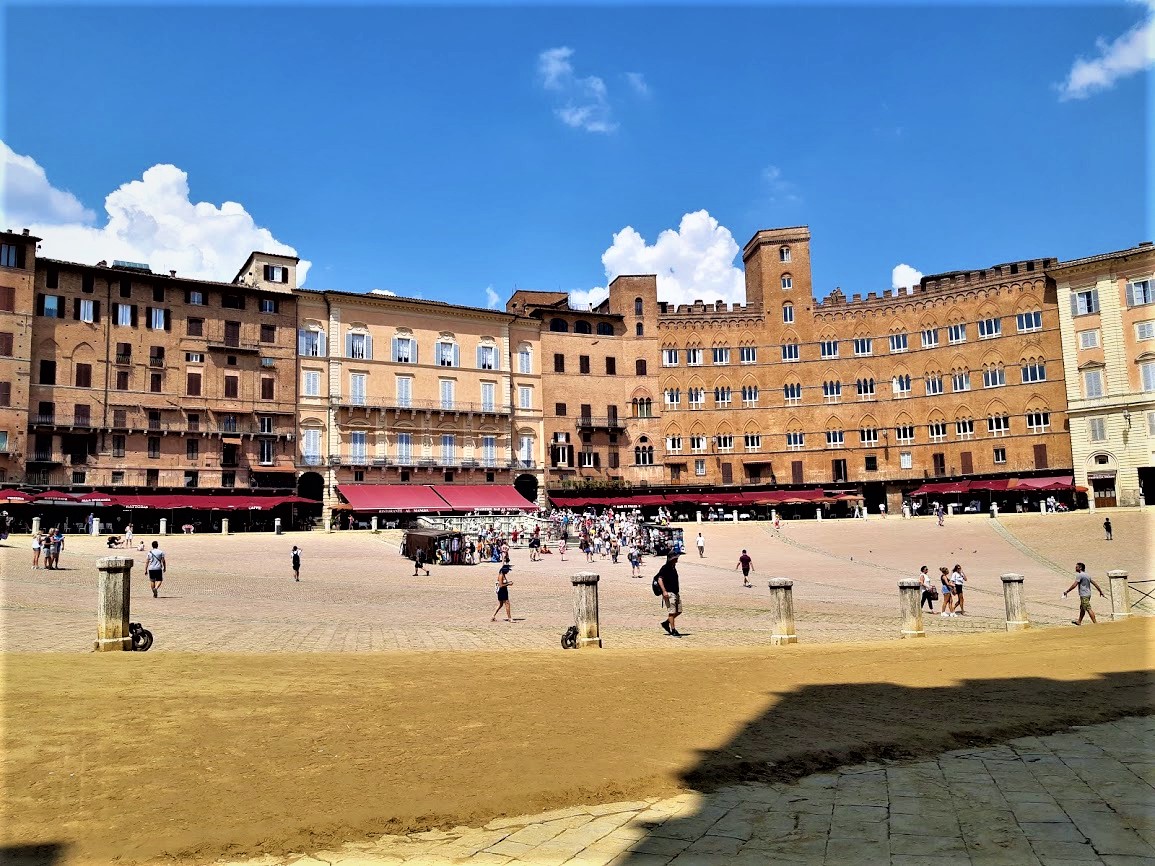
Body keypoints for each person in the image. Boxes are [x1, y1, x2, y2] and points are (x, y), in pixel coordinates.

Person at [656, 552, 682, 636]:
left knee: (679, 611)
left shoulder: (673, 567)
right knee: (672, 612)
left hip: (675, 592)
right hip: (669, 593)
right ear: (671, 559)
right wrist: (664, 591)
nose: (677, 559)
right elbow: (660, 579)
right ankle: (673, 630)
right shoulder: (665, 568)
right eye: (675, 558)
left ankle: (666, 623)